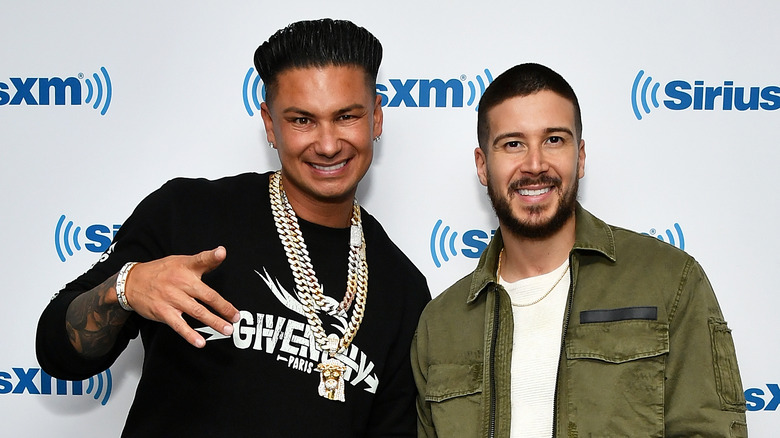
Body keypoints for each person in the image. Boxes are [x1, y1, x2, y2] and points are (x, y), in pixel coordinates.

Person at [36, 18, 430, 437]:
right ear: (269, 124)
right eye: (301, 120)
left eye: (347, 116)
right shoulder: (187, 213)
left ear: (377, 118)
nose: (328, 143)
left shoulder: (401, 287)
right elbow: (59, 353)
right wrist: (125, 289)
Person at [411, 63, 747, 437]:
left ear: (580, 156)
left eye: (554, 140)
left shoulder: (670, 283)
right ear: (483, 165)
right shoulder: (440, 324)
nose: (535, 164)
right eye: (512, 144)